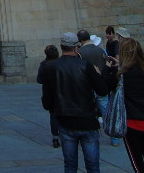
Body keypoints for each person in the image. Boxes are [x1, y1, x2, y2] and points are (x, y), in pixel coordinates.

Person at [42, 32, 112, 173]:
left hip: (65, 120)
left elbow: (46, 101)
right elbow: (103, 90)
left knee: (70, 165)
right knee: (93, 166)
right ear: (76, 47)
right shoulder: (86, 66)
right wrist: (107, 71)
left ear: (62, 47)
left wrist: (55, 111)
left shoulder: (50, 67)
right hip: (87, 121)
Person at [108, 37, 144, 173]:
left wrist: (112, 68)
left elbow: (105, 87)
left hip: (132, 123)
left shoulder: (121, 75)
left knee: (137, 162)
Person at [78, 29, 118, 146]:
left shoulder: (80, 53)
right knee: (106, 111)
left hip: (88, 87)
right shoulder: (100, 50)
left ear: (80, 40)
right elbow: (107, 65)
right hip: (101, 85)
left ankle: (90, 137)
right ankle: (114, 137)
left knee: (89, 112)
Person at [37, 44, 60, 148]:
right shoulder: (61, 63)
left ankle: (55, 138)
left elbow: (39, 80)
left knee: (53, 116)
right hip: (62, 93)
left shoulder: (43, 64)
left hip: (49, 94)